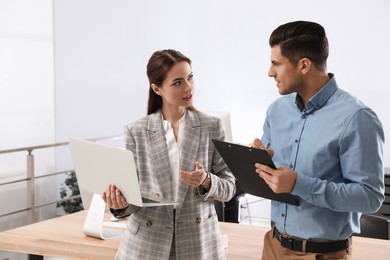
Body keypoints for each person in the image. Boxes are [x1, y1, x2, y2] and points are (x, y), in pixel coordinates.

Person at [252, 21, 385, 259]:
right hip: (272, 245)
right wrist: (259, 162)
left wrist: (298, 184)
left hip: (321, 254)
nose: (269, 72)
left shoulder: (356, 118)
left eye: (276, 63)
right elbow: (275, 178)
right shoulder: (277, 111)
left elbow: (370, 197)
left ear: (304, 65)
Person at [102, 49, 236, 260]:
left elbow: (229, 187)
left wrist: (207, 180)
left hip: (197, 244)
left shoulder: (212, 126)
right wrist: (120, 206)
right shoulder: (136, 131)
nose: (188, 87)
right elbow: (135, 198)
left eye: (190, 77)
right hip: (147, 244)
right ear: (157, 88)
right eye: (177, 82)